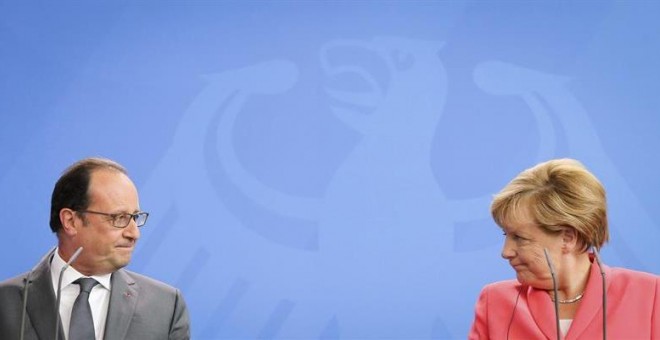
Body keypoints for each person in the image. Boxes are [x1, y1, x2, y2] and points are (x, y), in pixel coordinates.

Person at [0, 157, 190, 340]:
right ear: (71, 221)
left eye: (135, 217)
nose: (134, 233)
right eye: (119, 218)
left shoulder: (165, 306)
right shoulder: (5, 302)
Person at [468, 158, 659, 339]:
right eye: (506, 235)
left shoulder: (651, 295)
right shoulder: (494, 302)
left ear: (568, 237)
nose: (506, 252)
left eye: (519, 237)